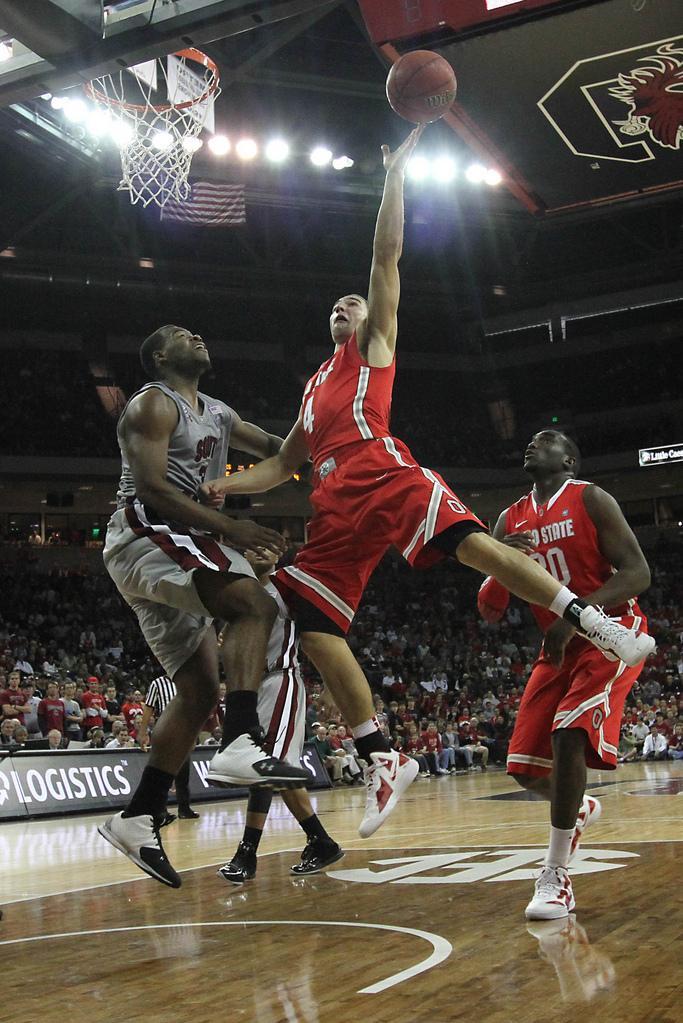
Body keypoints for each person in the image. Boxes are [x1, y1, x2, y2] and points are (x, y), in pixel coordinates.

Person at [200, 130, 654, 840]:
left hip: (384, 473)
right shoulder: (314, 388)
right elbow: (282, 465)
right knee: (306, 620)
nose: (345, 307)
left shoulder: (369, 349)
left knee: (473, 545)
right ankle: (381, 753)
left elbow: (385, 256)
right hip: (334, 509)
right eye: (337, 306)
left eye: (353, 302)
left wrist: (395, 174)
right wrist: (224, 487)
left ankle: (590, 619)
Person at [98, 325, 308, 888]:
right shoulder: (153, 404)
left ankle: (138, 815)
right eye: (182, 335)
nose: (199, 337)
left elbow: (276, 449)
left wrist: (325, 453)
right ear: (162, 355)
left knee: (198, 691)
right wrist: (233, 528)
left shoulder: (216, 411)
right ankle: (240, 738)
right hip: (150, 533)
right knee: (252, 606)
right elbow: (151, 491)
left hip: (179, 545)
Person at [478, 430, 652, 920]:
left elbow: (638, 573)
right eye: (531, 440)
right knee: (524, 768)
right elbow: (489, 610)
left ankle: (555, 876)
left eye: (547, 440)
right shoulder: (507, 519)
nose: (534, 444)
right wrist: (497, 564)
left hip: (611, 632)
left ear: (569, 459)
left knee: (569, 734)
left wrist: (576, 614)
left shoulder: (590, 497)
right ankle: (576, 808)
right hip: (557, 647)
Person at [218, 551, 343, 883]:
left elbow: (324, 633)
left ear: (277, 554)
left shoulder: (287, 588)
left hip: (280, 679)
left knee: (267, 766)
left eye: (267, 548)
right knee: (268, 769)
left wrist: (332, 684)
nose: (259, 552)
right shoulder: (238, 590)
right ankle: (320, 841)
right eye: (253, 548)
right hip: (249, 688)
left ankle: (248, 853)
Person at [137, 674, 200, 820]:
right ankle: (160, 810)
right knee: (163, 771)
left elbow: (193, 708)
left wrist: (194, 733)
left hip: (185, 729)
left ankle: (184, 809)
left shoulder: (187, 680)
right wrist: (142, 732)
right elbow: (148, 708)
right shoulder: (157, 683)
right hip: (165, 728)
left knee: (183, 774)